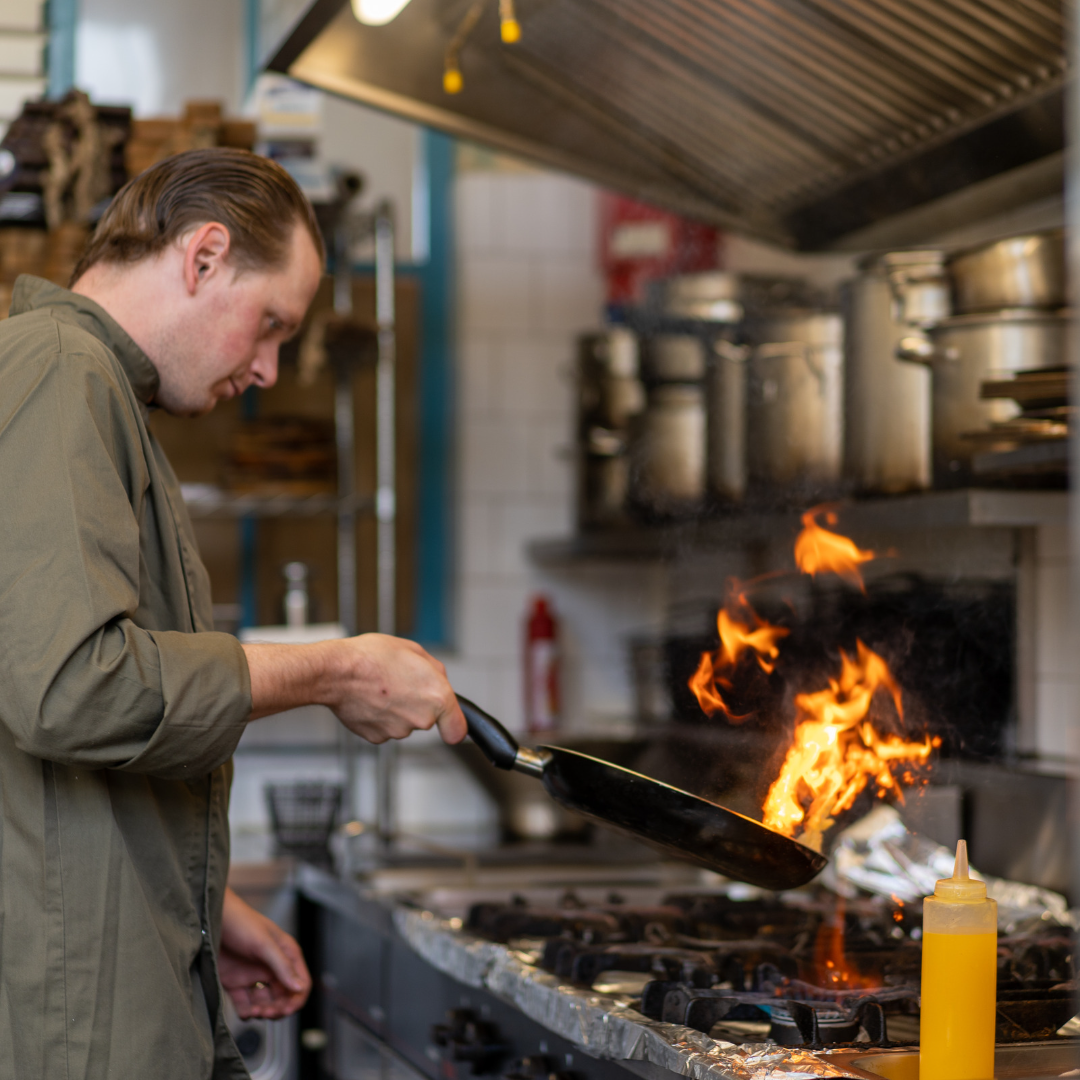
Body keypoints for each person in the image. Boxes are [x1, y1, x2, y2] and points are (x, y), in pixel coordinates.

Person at [0, 147, 466, 1079]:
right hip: (77, 1028)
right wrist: (332, 671)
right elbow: (69, 689)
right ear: (204, 256)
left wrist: (199, 904)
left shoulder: (100, 391)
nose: (267, 368)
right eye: (271, 325)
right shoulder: (62, 371)